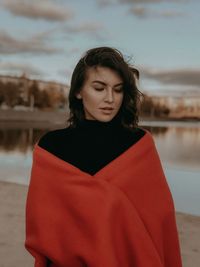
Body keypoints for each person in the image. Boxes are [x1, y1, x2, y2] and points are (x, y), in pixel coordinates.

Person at [25, 47, 182, 267]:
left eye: (118, 90)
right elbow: (43, 225)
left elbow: (159, 222)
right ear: (79, 91)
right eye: (99, 88)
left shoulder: (139, 144)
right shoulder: (51, 147)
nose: (110, 99)